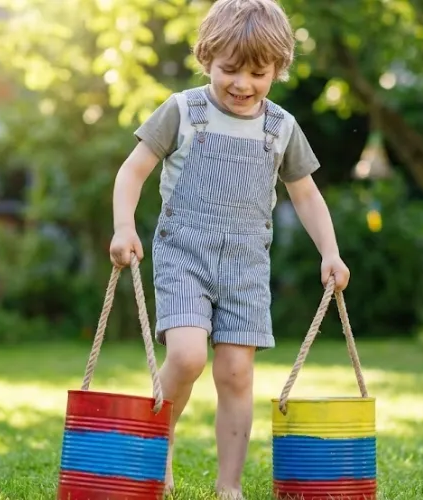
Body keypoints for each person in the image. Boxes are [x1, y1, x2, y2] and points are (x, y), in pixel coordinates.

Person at [108, 0, 350, 498]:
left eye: (258, 73)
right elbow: (132, 171)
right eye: (229, 70)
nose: (242, 84)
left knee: (237, 373)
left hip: (246, 265)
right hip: (184, 257)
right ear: (206, 59)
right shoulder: (182, 110)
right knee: (189, 355)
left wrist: (330, 250)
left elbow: (305, 193)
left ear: (278, 69)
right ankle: (161, 440)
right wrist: (123, 227)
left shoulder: (280, 127)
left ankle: (229, 485)